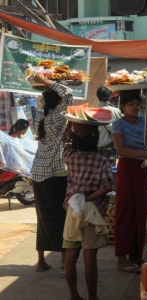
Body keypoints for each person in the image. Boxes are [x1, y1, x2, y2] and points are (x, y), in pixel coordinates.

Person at [62, 120, 114, 300]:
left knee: (71, 254)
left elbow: (65, 139)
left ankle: (74, 295)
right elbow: (107, 185)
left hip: (73, 210)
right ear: (96, 140)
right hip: (92, 211)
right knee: (89, 256)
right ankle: (93, 297)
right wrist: (89, 197)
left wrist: (71, 123)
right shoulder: (101, 160)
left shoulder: (70, 156)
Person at [30, 72, 73, 272]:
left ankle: (41, 262)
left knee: (43, 217)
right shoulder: (59, 115)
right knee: (63, 218)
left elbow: (47, 98)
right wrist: (47, 81)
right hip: (58, 173)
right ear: (59, 102)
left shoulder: (40, 115)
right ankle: (64, 263)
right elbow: (69, 93)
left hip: (38, 173)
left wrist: (43, 86)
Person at [112, 89, 147, 273]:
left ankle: (136, 255)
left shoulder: (144, 121)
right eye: (130, 104)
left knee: (141, 212)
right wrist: (144, 153)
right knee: (125, 211)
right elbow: (122, 151)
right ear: (123, 107)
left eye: (137, 104)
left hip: (144, 169)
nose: (135, 107)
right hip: (127, 168)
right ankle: (122, 258)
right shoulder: (117, 124)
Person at [96, 85, 123, 166]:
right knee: (109, 170)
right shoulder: (116, 111)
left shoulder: (94, 110)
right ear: (110, 96)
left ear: (98, 97)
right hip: (110, 146)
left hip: (96, 146)